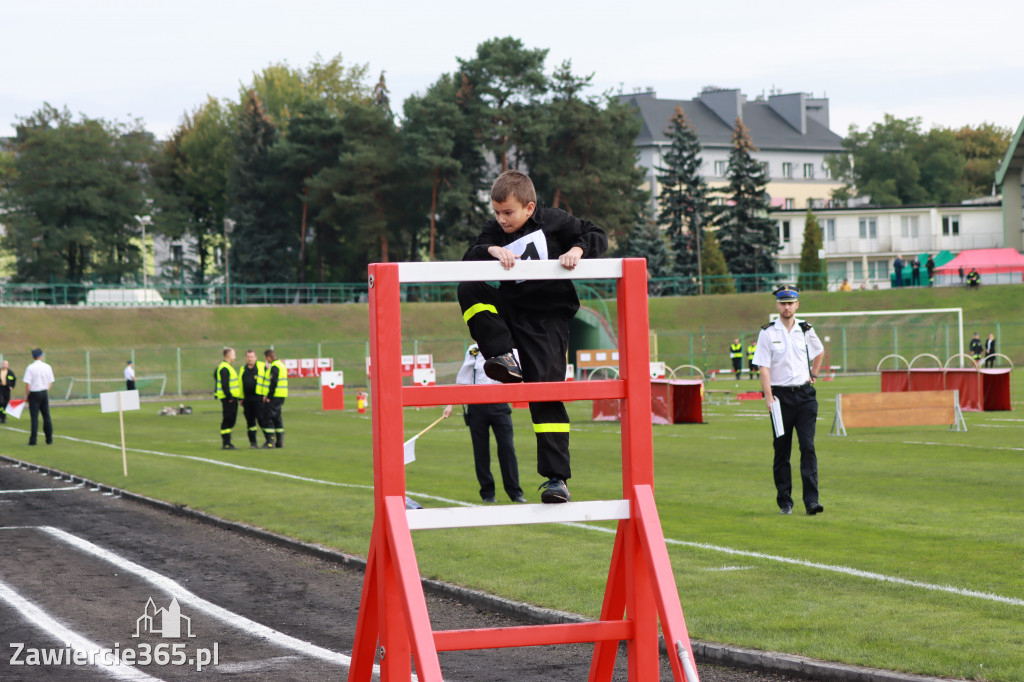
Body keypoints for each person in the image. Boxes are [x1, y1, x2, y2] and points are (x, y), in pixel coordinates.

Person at [457, 169, 607, 504]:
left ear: (529, 207)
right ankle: (501, 357)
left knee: (546, 394)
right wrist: (491, 251)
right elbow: (470, 254)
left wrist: (578, 251)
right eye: (496, 213)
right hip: (511, 313)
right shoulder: (494, 230)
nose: (502, 219)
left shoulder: (554, 220)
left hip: (548, 320)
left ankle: (557, 480)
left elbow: (596, 234)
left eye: (508, 212)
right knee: (468, 285)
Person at [753, 286, 824, 516]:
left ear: (797, 305)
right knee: (782, 450)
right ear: (777, 306)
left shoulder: (805, 329)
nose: (786, 307)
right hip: (780, 398)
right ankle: (785, 501)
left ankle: (812, 501)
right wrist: (768, 397)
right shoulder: (768, 333)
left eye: (790, 303)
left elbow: (819, 351)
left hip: (804, 396)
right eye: (783, 303)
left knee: (808, 447)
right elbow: (763, 367)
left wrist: (813, 375)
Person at [442, 344, 526, 504]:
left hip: (500, 404)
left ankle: (515, 493)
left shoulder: (506, 350)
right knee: (481, 452)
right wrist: (450, 404)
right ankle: (488, 493)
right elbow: (463, 380)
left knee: (507, 448)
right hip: (476, 406)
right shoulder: (473, 351)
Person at [23, 348, 55, 446]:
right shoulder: (47, 367)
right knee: (46, 416)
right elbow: (50, 382)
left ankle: (33, 440)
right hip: (44, 393)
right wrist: (45, 391)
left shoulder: (30, 367)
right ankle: (49, 439)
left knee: (34, 418)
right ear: (41, 356)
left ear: (33, 357)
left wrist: (27, 396)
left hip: (34, 393)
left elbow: (28, 384)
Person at [214, 347, 242, 450]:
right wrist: (229, 396)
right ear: (229, 355)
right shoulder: (224, 368)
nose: (235, 356)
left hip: (232, 398)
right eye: (234, 354)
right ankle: (226, 443)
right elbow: (225, 384)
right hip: (228, 398)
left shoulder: (227, 367)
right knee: (228, 419)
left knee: (231, 420)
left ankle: (227, 442)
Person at [240, 349, 269, 448]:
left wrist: (266, 395)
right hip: (247, 399)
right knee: (250, 422)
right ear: (246, 358)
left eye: (252, 357)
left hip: (259, 398)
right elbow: (240, 384)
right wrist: (240, 398)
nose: (250, 359)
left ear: (255, 357)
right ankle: (253, 443)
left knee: (262, 419)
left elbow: (268, 381)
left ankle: (269, 440)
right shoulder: (243, 369)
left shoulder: (262, 367)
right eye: (248, 357)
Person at [261, 349, 288, 448]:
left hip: (275, 396)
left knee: (268, 417)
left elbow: (273, 382)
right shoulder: (281, 365)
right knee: (277, 417)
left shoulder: (275, 367)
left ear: (268, 357)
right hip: (281, 395)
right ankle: (280, 441)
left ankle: (270, 442)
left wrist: (269, 396)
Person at [0, 359, 17, 424]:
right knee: (1, 402)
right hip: (0, 388)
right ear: (2, 364)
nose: (5, 365)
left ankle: (3, 418)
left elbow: (14, 380)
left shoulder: (10, 373)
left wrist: (12, 386)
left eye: (6, 364)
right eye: (4, 364)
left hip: (7, 389)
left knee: (5, 404)